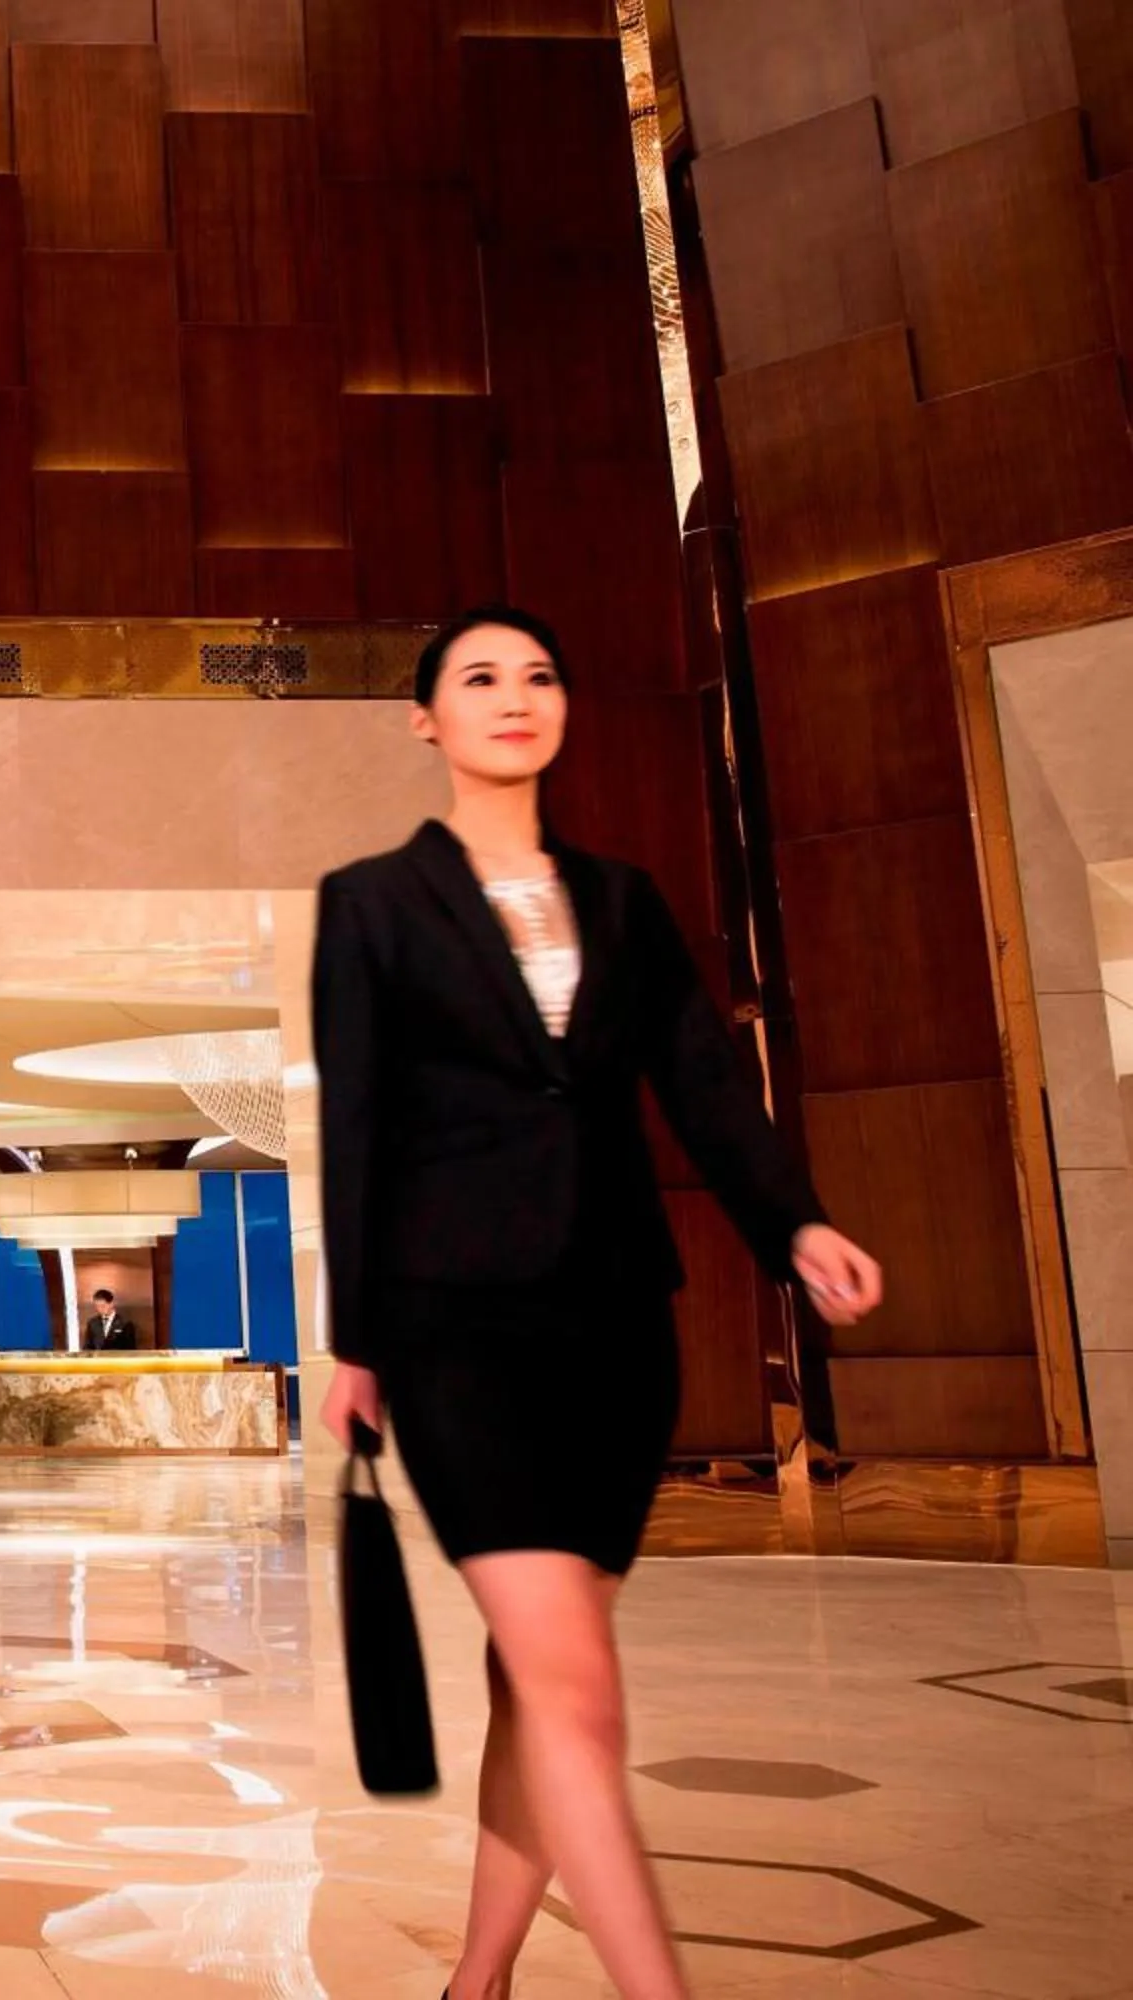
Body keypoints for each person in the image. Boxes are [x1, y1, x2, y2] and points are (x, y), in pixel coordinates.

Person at [313, 605, 885, 2000]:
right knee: (579, 1691)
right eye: (480, 676)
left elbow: (702, 1082)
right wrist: (357, 1341)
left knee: (539, 1684)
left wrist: (796, 1222)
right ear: (426, 718)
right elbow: (358, 1126)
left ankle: (477, 1982)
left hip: (618, 1330)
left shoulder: (625, 900)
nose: (516, 695)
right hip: (454, 1332)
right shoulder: (372, 901)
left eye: (540, 675)